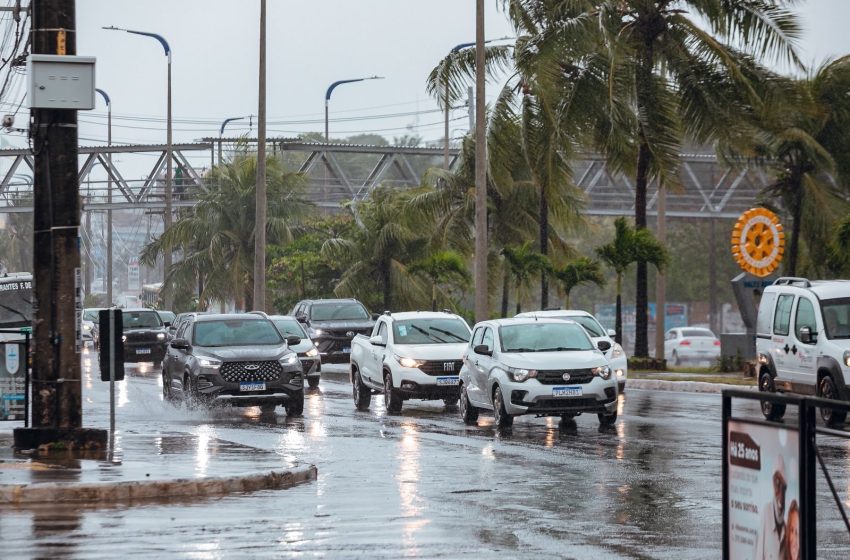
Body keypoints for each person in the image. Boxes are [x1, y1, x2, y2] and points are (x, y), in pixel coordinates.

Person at [756, 454, 787, 560]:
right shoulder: (766, 512)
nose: (780, 492)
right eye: (776, 484)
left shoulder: (788, 529)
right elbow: (759, 553)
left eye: (782, 486)